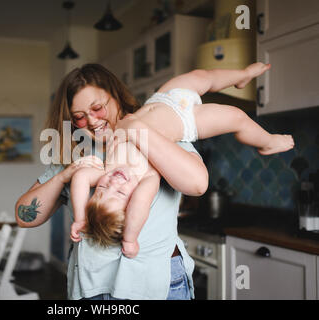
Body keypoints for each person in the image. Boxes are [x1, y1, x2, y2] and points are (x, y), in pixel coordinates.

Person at [16, 63, 222, 300]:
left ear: (116, 96)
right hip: (93, 289)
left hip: (159, 286)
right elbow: (24, 217)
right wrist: (65, 175)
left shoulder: (157, 128)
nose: (92, 121)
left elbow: (197, 185)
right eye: (79, 117)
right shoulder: (75, 153)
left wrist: (135, 128)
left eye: (97, 108)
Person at [69, 63, 294, 258]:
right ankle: (268, 141)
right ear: (131, 202)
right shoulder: (146, 179)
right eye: (118, 194)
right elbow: (140, 208)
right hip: (187, 120)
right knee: (237, 118)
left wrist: (80, 219)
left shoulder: (105, 169)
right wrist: (130, 239)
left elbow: (79, 178)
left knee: (203, 76)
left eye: (100, 191)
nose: (113, 183)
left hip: (161, 98)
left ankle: (242, 75)